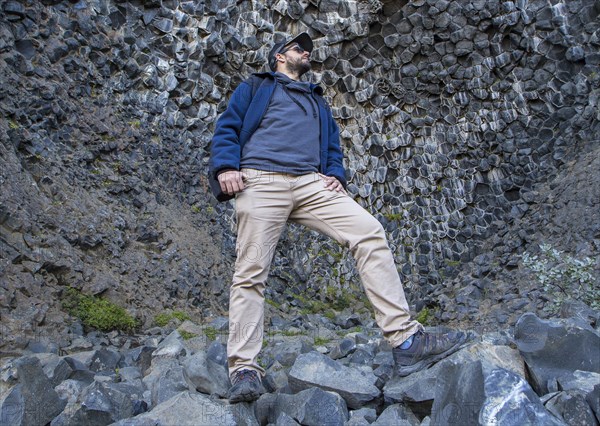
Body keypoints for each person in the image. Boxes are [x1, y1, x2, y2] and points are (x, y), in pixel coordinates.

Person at [209, 33, 469, 403]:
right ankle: (244, 368)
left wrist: (336, 174)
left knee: (369, 231)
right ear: (280, 57)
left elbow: (332, 147)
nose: (307, 52)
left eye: (307, 48)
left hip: (312, 184)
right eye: (299, 48)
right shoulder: (255, 87)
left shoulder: (317, 101)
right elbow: (228, 128)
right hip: (261, 178)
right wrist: (224, 168)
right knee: (251, 272)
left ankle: (406, 341)